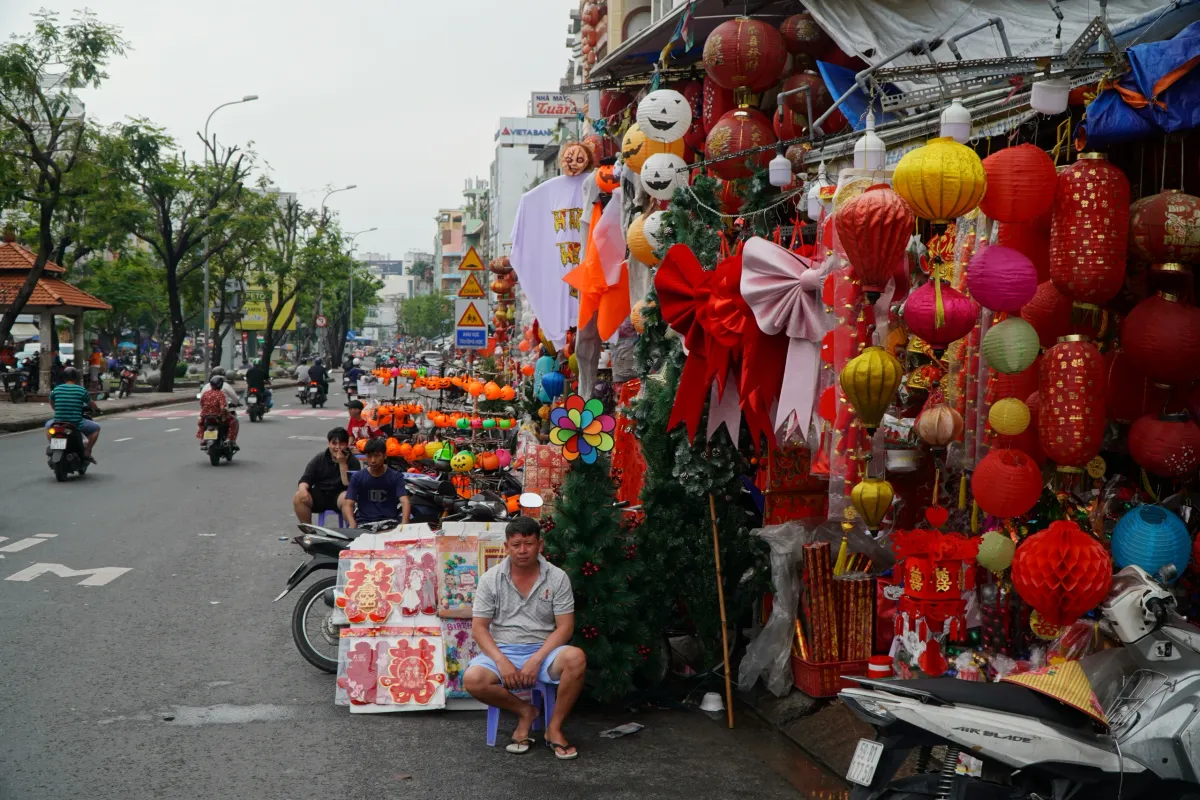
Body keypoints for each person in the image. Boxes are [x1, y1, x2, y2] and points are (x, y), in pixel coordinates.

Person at [464, 516, 586, 760]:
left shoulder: (557, 577)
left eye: (528, 544)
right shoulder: (491, 578)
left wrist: (537, 659)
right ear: (507, 546)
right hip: (504, 649)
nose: (522, 550)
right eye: (516, 544)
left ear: (539, 545)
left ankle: (554, 728)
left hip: (545, 650)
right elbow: (479, 627)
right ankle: (525, 712)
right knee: (473, 679)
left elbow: (565, 627)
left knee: (576, 657)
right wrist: (500, 660)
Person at [294, 427, 360, 523]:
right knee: (298, 496)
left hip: (340, 496)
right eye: (334, 443)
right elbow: (306, 478)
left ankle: (351, 528)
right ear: (329, 443)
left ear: (347, 445)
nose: (337, 447)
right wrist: (302, 489)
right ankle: (308, 531)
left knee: (348, 497)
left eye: (341, 444)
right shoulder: (320, 458)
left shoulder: (353, 461)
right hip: (321, 494)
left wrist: (342, 463)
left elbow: (348, 484)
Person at [341, 437, 410, 527]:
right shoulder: (358, 477)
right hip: (364, 524)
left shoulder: (396, 477)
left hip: (390, 523)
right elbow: (348, 504)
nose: (373, 460)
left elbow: (405, 501)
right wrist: (352, 522)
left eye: (377, 456)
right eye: (369, 456)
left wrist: (404, 524)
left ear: (385, 455)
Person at [44, 367, 101, 462]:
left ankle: (52, 445)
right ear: (76, 378)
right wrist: (97, 409)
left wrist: (56, 409)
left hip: (58, 422)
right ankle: (87, 452)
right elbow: (91, 403)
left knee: (47, 426)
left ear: (64, 377)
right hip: (76, 423)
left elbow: (51, 401)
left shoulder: (57, 389)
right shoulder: (81, 390)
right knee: (96, 428)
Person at [197, 375, 239, 447]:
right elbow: (223, 407)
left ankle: (203, 439)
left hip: (206, 416)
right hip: (218, 416)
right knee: (234, 421)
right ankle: (229, 439)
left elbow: (201, 403)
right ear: (220, 384)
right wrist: (224, 415)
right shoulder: (220, 394)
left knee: (201, 424)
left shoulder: (205, 393)